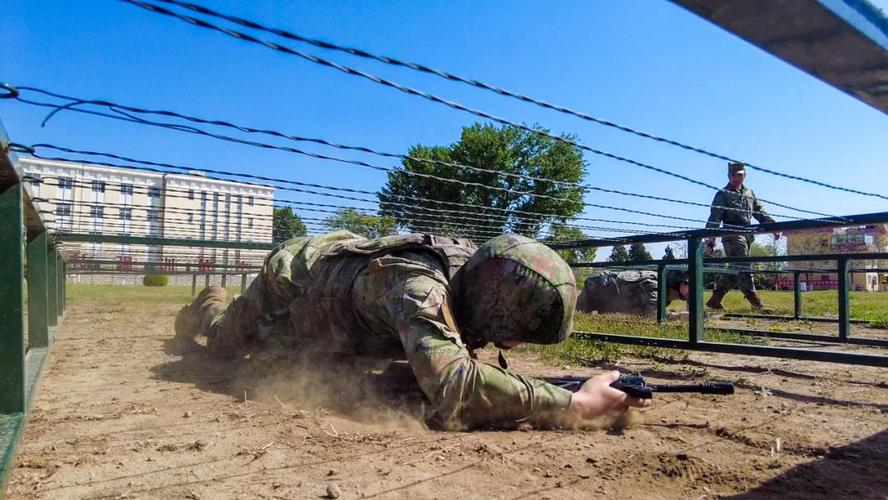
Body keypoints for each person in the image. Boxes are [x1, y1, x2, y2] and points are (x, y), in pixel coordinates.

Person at [175, 231, 646, 429]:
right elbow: (454, 384)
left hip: (342, 317)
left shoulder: (476, 278)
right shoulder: (420, 289)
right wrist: (576, 404)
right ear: (496, 306)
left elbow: (446, 362)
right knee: (226, 344)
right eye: (517, 332)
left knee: (330, 368)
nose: (517, 344)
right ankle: (209, 304)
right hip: (294, 280)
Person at [705, 161, 779, 311]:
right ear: (728, 176)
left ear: (745, 175)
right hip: (731, 235)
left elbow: (759, 212)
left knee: (735, 268)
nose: (736, 178)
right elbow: (715, 217)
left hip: (747, 235)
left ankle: (715, 299)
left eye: (739, 175)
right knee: (744, 264)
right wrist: (711, 237)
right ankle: (755, 301)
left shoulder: (749, 193)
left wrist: (772, 226)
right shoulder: (722, 194)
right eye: (733, 175)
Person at [576, 269, 689, 319]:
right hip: (596, 291)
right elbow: (652, 316)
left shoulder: (666, 294)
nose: (691, 290)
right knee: (573, 313)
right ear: (676, 282)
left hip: (604, 296)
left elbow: (641, 313)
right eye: (687, 284)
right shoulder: (655, 286)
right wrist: (678, 316)